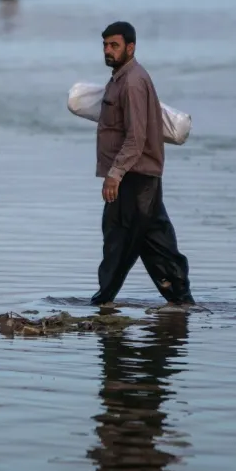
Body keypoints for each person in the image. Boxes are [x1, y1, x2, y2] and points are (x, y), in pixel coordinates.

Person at [92, 21, 194, 308]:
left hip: (135, 178)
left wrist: (114, 174)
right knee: (151, 240)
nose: (108, 51)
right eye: (105, 45)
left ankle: (103, 300)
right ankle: (181, 300)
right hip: (135, 176)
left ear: (131, 47)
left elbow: (136, 138)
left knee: (121, 240)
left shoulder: (133, 82)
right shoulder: (119, 79)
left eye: (114, 45)